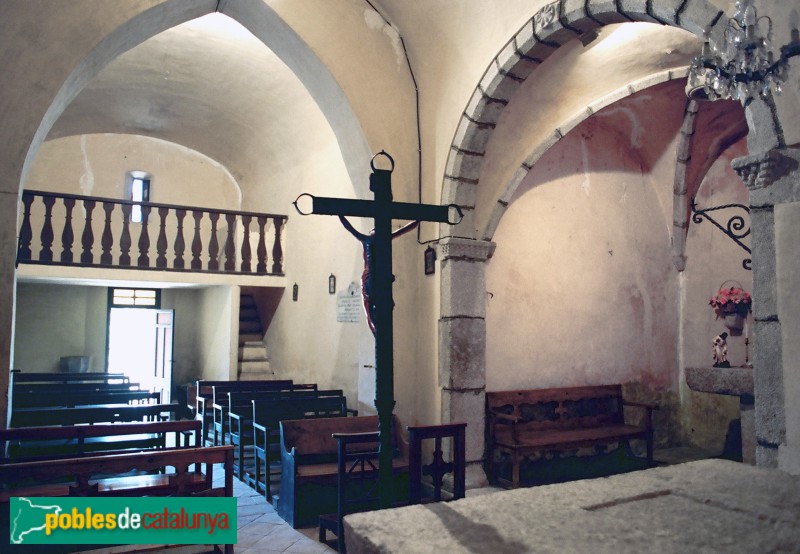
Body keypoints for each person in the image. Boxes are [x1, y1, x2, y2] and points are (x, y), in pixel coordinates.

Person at [338, 215, 418, 335]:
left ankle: (378, 331)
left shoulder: (369, 239)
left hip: (376, 279)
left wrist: (339, 213)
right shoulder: (378, 239)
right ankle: (378, 331)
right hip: (374, 279)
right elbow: (405, 229)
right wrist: (419, 220)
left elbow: (348, 227)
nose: (374, 232)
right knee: (376, 306)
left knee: (377, 306)